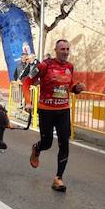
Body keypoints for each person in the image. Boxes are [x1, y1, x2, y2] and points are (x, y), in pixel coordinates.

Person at [23, 39, 85, 192]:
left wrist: (76, 88)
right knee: (47, 142)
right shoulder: (44, 65)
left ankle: (58, 178)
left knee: (64, 142)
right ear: (56, 50)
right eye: (62, 49)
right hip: (46, 110)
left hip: (63, 109)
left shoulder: (70, 67)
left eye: (67, 49)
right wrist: (29, 102)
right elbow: (26, 82)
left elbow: (68, 86)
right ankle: (37, 148)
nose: (65, 51)